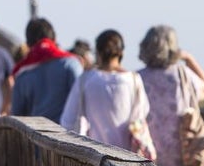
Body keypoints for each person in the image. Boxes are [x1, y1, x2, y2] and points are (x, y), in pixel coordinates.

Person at [60, 29, 154, 159]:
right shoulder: (133, 80)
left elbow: (68, 120)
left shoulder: (85, 80)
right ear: (122, 53)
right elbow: (140, 116)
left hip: (94, 157)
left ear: (98, 53)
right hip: (127, 159)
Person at [137, 25, 204, 166]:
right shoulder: (182, 74)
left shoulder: (136, 78)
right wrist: (189, 58)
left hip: (146, 159)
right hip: (182, 156)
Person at [11, 18, 83, 123]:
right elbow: (82, 102)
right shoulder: (70, 64)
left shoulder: (22, 74)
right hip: (68, 135)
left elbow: (17, 116)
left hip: (35, 135)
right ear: (54, 38)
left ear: (28, 43)